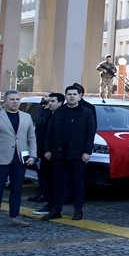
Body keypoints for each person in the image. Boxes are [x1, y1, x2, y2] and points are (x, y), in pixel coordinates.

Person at [0, 90, 38, 229]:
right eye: (12, 99)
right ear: (5, 101)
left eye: (17, 99)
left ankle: (15, 217)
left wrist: (33, 156)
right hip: (1, 159)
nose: (15, 102)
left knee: (17, 189)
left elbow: (32, 138)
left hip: (20, 159)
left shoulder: (26, 117)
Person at [45, 83, 96, 221]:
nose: (72, 96)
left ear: (80, 96)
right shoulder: (59, 111)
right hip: (59, 153)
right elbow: (50, 131)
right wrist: (48, 149)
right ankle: (56, 210)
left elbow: (90, 133)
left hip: (77, 153)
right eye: (69, 94)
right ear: (66, 96)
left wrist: (87, 152)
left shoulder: (86, 112)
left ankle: (78, 211)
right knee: (58, 183)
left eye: (74, 94)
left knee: (77, 183)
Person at [32, 92, 63, 206]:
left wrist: (47, 148)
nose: (48, 101)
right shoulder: (42, 111)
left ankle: (46, 195)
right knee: (41, 172)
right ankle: (41, 193)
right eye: (47, 99)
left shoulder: (52, 114)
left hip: (47, 148)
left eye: (50, 100)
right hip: (39, 146)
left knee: (47, 173)